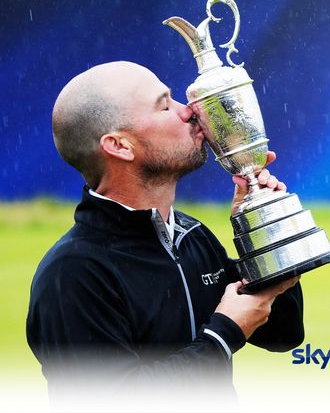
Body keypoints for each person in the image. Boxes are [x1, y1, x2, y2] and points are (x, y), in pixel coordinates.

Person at [26, 61, 303, 409]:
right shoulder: (73, 273)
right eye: (165, 104)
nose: (187, 111)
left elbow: (283, 333)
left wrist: (259, 231)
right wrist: (223, 333)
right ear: (119, 145)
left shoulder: (191, 235)